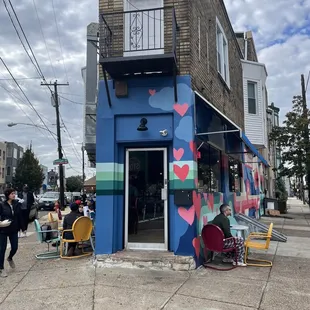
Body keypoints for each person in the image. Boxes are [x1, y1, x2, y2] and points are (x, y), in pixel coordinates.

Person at [0, 188, 25, 277]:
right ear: (8, 195)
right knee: (2, 249)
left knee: (14, 247)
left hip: (14, 229)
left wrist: (23, 228)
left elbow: (20, 216)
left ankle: (10, 258)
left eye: (14, 193)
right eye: (12, 194)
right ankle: (1, 268)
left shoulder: (16, 204)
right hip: (3, 229)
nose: (14, 195)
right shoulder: (2, 205)